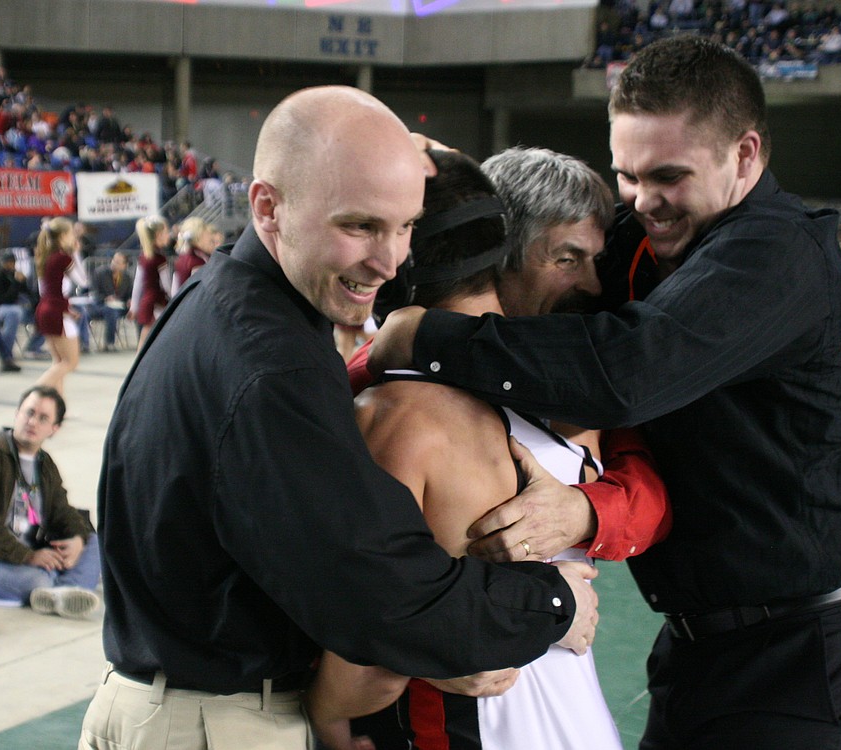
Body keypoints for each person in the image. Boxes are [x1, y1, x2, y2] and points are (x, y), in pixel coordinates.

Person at [370, 36, 841, 747]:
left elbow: (623, 377)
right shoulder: (649, 232)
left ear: (745, 155)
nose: (644, 202)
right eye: (628, 174)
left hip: (801, 656)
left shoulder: (776, 254)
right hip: (695, 647)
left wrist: (417, 338)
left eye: (668, 177)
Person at [80, 86, 598, 750]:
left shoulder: (218, 296)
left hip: (162, 707)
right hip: (219, 723)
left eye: (406, 224)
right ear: (267, 206)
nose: (389, 261)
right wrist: (552, 601)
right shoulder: (279, 365)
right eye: (359, 225)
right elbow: (386, 601)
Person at [314, 150, 659, 750]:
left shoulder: (394, 416)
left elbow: (361, 655)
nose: (593, 285)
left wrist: (326, 713)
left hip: (470, 728)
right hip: (575, 723)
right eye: (567, 259)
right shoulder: (578, 393)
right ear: (502, 251)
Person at [0, 386, 100, 618]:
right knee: (37, 578)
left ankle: (57, 593)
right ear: (17, 414)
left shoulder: (44, 464)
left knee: (94, 543)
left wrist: (77, 538)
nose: (33, 422)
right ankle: (66, 588)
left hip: (31, 550)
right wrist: (29, 557)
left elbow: (61, 510)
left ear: (54, 429)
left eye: (43, 418)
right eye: (29, 413)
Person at [34, 217, 80, 395]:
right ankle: (36, 391)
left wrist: (66, 307)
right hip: (56, 312)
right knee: (70, 362)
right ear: (63, 236)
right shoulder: (63, 258)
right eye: (70, 233)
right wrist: (76, 253)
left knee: (58, 361)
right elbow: (83, 280)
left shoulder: (44, 256)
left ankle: (60, 407)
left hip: (44, 309)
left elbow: (45, 289)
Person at [130, 214, 169, 347]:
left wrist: (134, 306)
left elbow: (137, 284)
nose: (168, 235)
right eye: (166, 232)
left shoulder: (144, 257)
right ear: (158, 235)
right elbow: (167, 285)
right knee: (148, 342)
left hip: (147, 302)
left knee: (145, 341)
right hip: (157, 303)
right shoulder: (160, 258)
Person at [0, 249, 32, 358]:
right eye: (8, 262)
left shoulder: (15, 274)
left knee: (44, 311)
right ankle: (5, 353)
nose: (11, 264)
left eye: (12, 262)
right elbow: (5, 300)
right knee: (13, 312)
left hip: (17, 308)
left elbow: (29, 293)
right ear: (2, 262)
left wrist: (24, 282)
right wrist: (16, 282)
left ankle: (33, 348)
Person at [89, 251, 132, 351]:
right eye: (113, 260)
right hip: (101, 305)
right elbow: (93, 292)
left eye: (118, 262)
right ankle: (109, 343)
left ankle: (142, 343)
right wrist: (105, 298)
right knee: (111, 311)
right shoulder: (99, 273)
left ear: (124, 265)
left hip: (120, 306)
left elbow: (130, 293)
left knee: (139, 309)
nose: (114, 263)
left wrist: (130, 300)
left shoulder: (127, 277)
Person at [169, 216, 213, 296]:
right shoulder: (196, 261)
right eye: (206, 232)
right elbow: (200, 291)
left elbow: (174, 290)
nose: (209, 236)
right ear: (199, 235)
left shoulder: (182, 257)